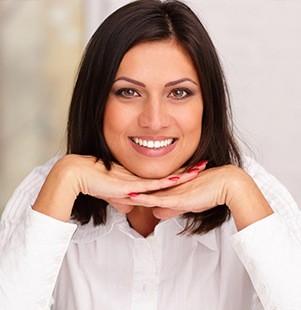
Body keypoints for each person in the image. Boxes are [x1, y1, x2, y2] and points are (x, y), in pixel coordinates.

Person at [0, 0, 300, 309]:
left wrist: (238, 189)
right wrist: (64, 178)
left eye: (178, 93)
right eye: (128, 92)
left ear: (207, 105)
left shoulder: (255, 194)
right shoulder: (45, 191)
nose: (154, 120)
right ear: (96, 101)